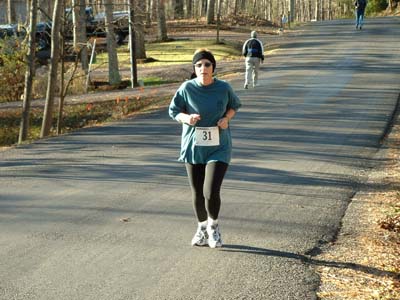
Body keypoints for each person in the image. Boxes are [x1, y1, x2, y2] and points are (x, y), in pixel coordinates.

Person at [168, 49, 241, 248]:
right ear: (194, 68)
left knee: (210, 191)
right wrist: (186, 118)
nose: (203, 68)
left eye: (207, 64)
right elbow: (173, 111)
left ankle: (213, 227)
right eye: (199, 65)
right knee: (197, 193)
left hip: (219, 146)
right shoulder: (186, 88)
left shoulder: (224, 88)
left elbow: (235, 105)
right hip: (193, 147)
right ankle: (201, 227)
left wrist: (227, 118)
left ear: (213, 68)